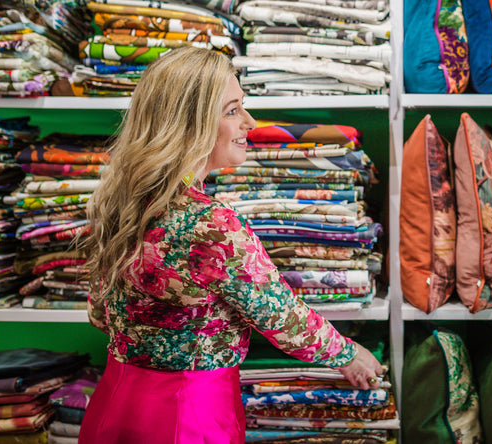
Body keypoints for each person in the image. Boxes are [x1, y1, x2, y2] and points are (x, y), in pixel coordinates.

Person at [78, 46, 383, 443]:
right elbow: (280, 316)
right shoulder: (212, 226)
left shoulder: (120, 203)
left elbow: (99, 314)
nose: (250, 123)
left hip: (113, 405)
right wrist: (350, 355)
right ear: (190, 123)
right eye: (232, 110)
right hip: (186, 416)